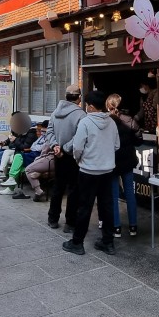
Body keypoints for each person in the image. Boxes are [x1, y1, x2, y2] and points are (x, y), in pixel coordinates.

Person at [62, 91, 119, 256]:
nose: (86, 107)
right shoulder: (112, 122)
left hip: (88, 171)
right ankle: (108, 243)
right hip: (107, 171)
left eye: (87, 105)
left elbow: (77, 147)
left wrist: (79, 160)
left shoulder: (86, 122)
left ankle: (77, 242)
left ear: (92, 106)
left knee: (85, 207)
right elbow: (116, 146)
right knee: (106, 207)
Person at [47, 85, 87, 232]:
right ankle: (70, 223)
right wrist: (64, 148)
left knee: (58, 187)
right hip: (72, 157)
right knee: (73, 190)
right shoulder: (81, 115)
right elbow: (79, 138)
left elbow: (49, 131)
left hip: (58, 156)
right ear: (79, 97)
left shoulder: (55, 112)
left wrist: (55, 146)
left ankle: (52, 219)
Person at [106, 94, 142, 238]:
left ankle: (116, 228)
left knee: (113, 195)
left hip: (112, 162)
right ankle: (133, 226)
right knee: (130, 193)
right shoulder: (130, 120)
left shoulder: (106, 122)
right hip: (128, 161)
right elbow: (139, 140)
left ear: (108, 106)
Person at [0, 120, 47, 199]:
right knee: (18, 165)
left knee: (18, 156)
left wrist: (15, 140)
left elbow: (40, 148)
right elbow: (33, 146)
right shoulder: (39, 137)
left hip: (39, 156)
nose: (41, 132)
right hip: (31, 153)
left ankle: (11, 181)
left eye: (42, 130)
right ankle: (10, 185)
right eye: (40, 130)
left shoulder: (46, 137)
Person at [0, 112, 35, 180]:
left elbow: (24, 146)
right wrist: (4, 142)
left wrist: (15, 140)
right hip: (11, 149)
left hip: (17, 150)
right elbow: (10, 139)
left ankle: (2, 177)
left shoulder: (29, 132)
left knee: (0, 154)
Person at [22, 121, 55, 202]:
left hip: (51, 159)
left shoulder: (51, 136)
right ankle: (38, 174)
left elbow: (43, 151)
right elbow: (33, 146)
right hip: (51, 159)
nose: (42, 131)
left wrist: (38, 159)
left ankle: (39, 191)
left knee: (28, 169)